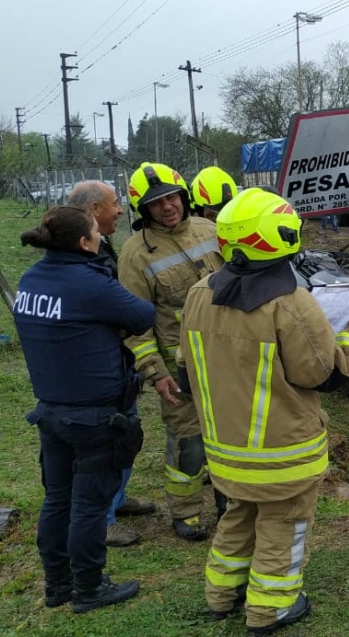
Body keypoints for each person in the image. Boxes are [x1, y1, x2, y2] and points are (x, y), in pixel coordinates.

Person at [179, 188, 349, 635]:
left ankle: (220, 595)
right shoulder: (291, 303)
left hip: (227, 450)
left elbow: (187, 363)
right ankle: (271, 610)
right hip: (282, 453)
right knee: (283, 528)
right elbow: (321, 374)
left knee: (238, 517)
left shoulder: (197, 294)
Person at [13, 205, 155, 613]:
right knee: (89, 507)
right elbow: (142, 316)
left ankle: (57, 585)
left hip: (51, 411)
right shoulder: (88, 282)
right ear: (84, 241)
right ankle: (90, 588)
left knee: (57, 500)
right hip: (94, 415)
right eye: (96, 229)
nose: (100, 234)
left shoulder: (31, 278)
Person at [118, 162, 224, 541]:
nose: (167, 207)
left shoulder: (212, 231)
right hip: (180, 369)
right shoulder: (135, 256)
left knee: (230, 436)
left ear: (184, 195)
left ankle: (230, 504)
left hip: (228, 358)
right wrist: (156, 372)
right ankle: (186, 513)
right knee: (189, 443)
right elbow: (134, 325)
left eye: (171, 197)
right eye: (157, 203)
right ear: (143, 210)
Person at [68, 181, 156, 548]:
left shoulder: (97, 247)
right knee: (108, 443)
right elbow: (131, 312)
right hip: (102, 369)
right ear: (92, 210)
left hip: (113, 362)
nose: (121, 210)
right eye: (115, 203)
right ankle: (102, 520)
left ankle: (115, 502)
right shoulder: (85, 260)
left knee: (124, 438)